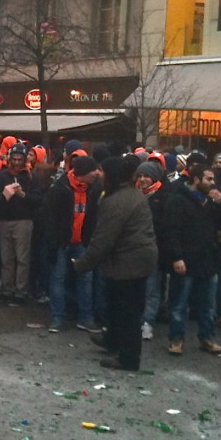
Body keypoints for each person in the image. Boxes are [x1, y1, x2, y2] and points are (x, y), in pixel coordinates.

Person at [73, 155, 158, 371]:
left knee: (127, 312)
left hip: (129, 262)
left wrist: (80, 265)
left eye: (103, 171)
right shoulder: (129, 194)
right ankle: (112, 341)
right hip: (134, 259)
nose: (99, 175)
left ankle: (128, 358)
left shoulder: (116, 202)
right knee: (117, 305)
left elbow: (102, 241)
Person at [161, 161, 221, 356]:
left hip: (207, 260)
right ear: (196, 179)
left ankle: (206, 337)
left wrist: (220, 204)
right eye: (209, 179)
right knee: (179, 303)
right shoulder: (178, 200)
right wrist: (176, 257)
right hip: (186, 260)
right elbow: (171, 230)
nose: (212, 183)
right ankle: (176, 339)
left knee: (207, 305)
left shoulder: (210, 202)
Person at [43, 154, 102, 333]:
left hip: (82, 242)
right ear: (84, 172)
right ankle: (57, 318)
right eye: (93, 171)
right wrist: (53, 244)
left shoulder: (93, 189)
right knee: (58, 279)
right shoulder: (60, 189)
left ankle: (85, 317)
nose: (97, 174)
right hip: (63, 243)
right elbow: (50, 219)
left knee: (85, 279)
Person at [0, 142, 37, 304]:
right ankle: (7, 289)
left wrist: (23, 195)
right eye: (15, 159)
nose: (17, 162)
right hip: (4, 220)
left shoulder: (31, 177)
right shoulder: (2, 176)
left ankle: (21, 290)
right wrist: (4, 196)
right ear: (10, 159)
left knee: (22, 258)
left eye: (20, 159)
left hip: (23, 221)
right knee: (6, 258)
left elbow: (38, 199)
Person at [135, 160, 167, 340]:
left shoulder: (163, 196)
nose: (143, 179)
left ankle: (147, 322)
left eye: (146, 176)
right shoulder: (135, 194)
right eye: (140, 176)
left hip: (154, 249)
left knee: (152, 288)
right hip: (135, 249)